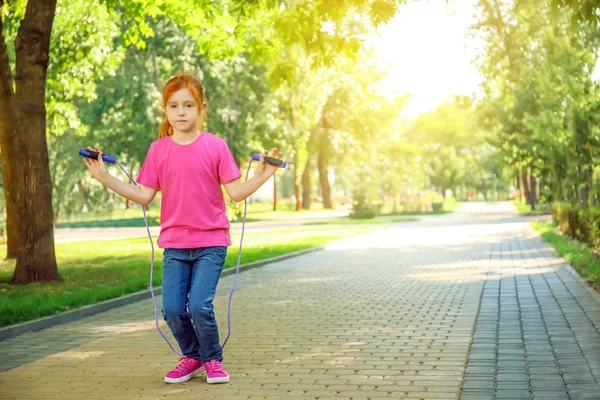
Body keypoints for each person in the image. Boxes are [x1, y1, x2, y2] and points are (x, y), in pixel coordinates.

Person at [82, 73, 282, 385]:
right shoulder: (158, 150)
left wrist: (262, 176)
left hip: (211, 241)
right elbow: (143, 195)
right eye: (174, 105)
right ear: (165, 109)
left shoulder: (215, 146)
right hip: (175, 244)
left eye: (188, 105)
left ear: (201, 107)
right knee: (173, 309)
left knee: (200, 306)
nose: (181, 112)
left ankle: (212, 358)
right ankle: (193, 355)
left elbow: (236, 192)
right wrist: (104, 177)